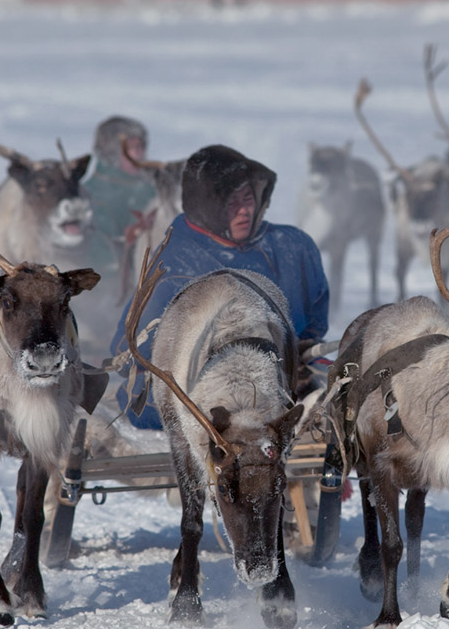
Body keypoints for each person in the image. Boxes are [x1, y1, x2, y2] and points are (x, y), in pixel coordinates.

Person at [111, 143, 330, 430]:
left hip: (284, 387)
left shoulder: (292, 248)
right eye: (231, 203)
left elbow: (313, 327)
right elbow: (127, 355)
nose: (244, 211)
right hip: (200, 400)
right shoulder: (175, 266)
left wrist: (300, 356)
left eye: (248, 198)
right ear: (208, 206)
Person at [81, 116, 159, 277]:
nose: (139, 153)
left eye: (141, 146)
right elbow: (100, 250)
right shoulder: (94, 193)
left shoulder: (151, 186)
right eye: (130, 148)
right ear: (112, 153)